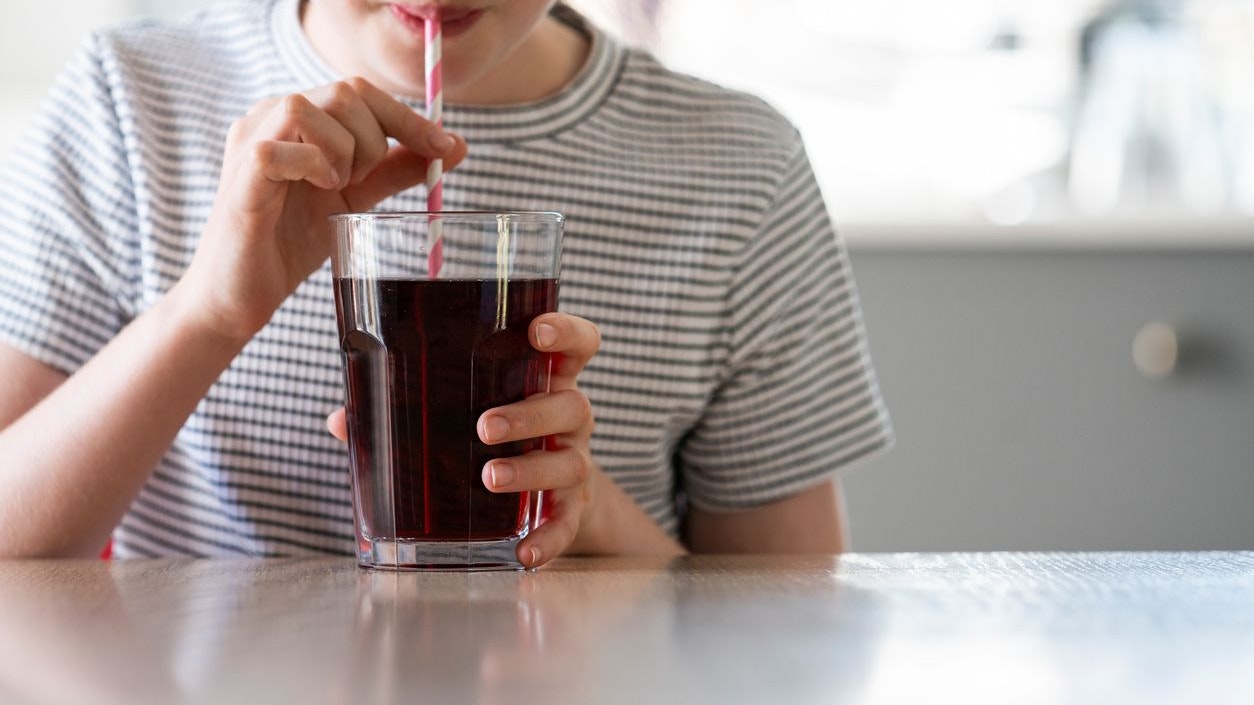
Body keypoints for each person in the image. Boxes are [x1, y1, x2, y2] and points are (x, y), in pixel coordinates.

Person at [0, 0, 892, 564]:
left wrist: (595, 524)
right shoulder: (132, 99)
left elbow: (789, 620)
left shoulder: (740, 164)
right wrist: (208, 312)